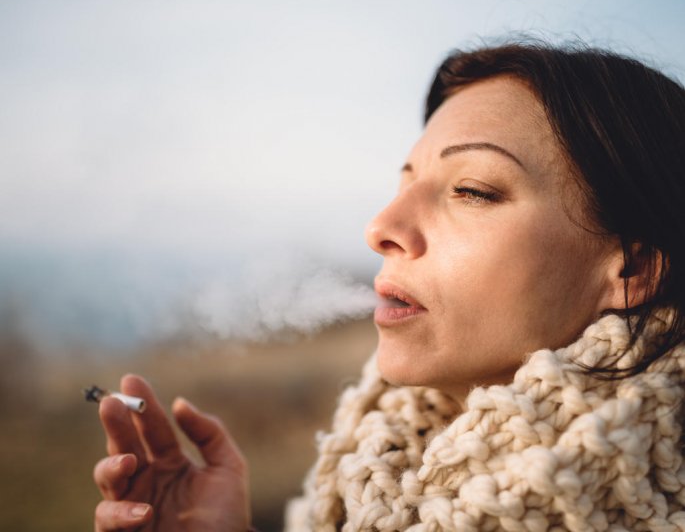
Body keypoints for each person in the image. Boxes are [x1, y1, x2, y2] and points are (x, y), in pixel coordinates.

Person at [92, 40, 685, 531]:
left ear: (631, 270)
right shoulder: (362, 481)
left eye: (472, 190)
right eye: (405, 182)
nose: (382, 227)